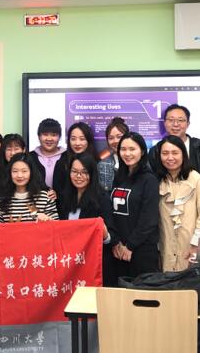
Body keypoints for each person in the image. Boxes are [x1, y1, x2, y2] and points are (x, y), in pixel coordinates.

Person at [155, 135, 200, 272]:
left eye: (175, 153)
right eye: (165, 153)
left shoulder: (197, 180)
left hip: (190, 246)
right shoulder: (158, 181)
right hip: (165, 246)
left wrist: (196, 245)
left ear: (183, 154)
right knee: (167, 280)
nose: (170, 157)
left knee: (190, 281)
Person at [57, 152, 115, 286]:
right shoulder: (63, 198)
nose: (79, 176)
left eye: (84, 172)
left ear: (92, 174)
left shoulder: (102, 198)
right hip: (69, 262)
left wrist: (105, 234)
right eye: (74, 171)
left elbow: (111, 238)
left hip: (94, 263)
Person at [109, 132, 160, 279]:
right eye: (123, 149)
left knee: (141, 291)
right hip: (119, 249)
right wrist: (116, 242)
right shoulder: (119, 177)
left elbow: (149, 219)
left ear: (142, 151)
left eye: (132, 149)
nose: (127, 153)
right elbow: (113, 212)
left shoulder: (149, 179)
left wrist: (130, 246)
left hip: (141, 250)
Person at [0, 153, 59, 223]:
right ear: (9, 173)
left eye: (24, 171)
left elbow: (56, 225)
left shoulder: (45, 197)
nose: (19, 175)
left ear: (31, 172)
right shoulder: (3, 200)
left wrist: (47, 220)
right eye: (15, 171)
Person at [149, 104, 200, 178]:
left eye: (180, 120)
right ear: (165, 123)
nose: (176, 124)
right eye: (171, 120)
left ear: (188, 124)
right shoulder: (155, 150)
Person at [52, 121, 99, 193]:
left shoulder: (98, 163)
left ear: (89, 141)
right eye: (73, 139)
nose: (77, 143)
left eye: (82, 139)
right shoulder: (61, 164)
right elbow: (57, 191)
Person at [28, 118, 64, 189]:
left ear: (59, 137)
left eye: (53, 135)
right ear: (39, 136)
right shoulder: (30, 157)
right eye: (45, 134)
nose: (49, 139)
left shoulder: (68, 157)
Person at [97, 117, 129, 192]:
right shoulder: (102, 165)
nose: (115, 141)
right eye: (111, 138)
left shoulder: (138, 163)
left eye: (119, 137)